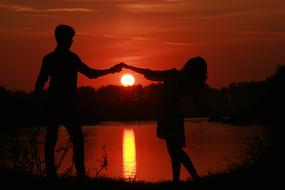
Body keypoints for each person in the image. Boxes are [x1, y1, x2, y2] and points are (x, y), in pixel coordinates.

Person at [34, 24, 122, 178]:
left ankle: (53, 174)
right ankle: (79, 173)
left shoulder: (50, 58)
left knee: (53, 139)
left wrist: (41, 103)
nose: (72, 42)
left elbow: (39, 85)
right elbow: (91, 74)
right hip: (65, 105)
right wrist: (111, 70)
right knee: (75, 139)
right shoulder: (70, 58)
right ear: (64, 39)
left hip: (55, 104)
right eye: (70, 39)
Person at [122, 57, 214, 182]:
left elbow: (198, 102)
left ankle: (194, 177)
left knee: (175, 150)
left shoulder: (179, 78)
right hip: (169, 114)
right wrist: (128, 67)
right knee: (173, 150)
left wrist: (128, 67)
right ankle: (178, 179)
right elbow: (149, 72)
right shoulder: (180, 78)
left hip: (171, 115)